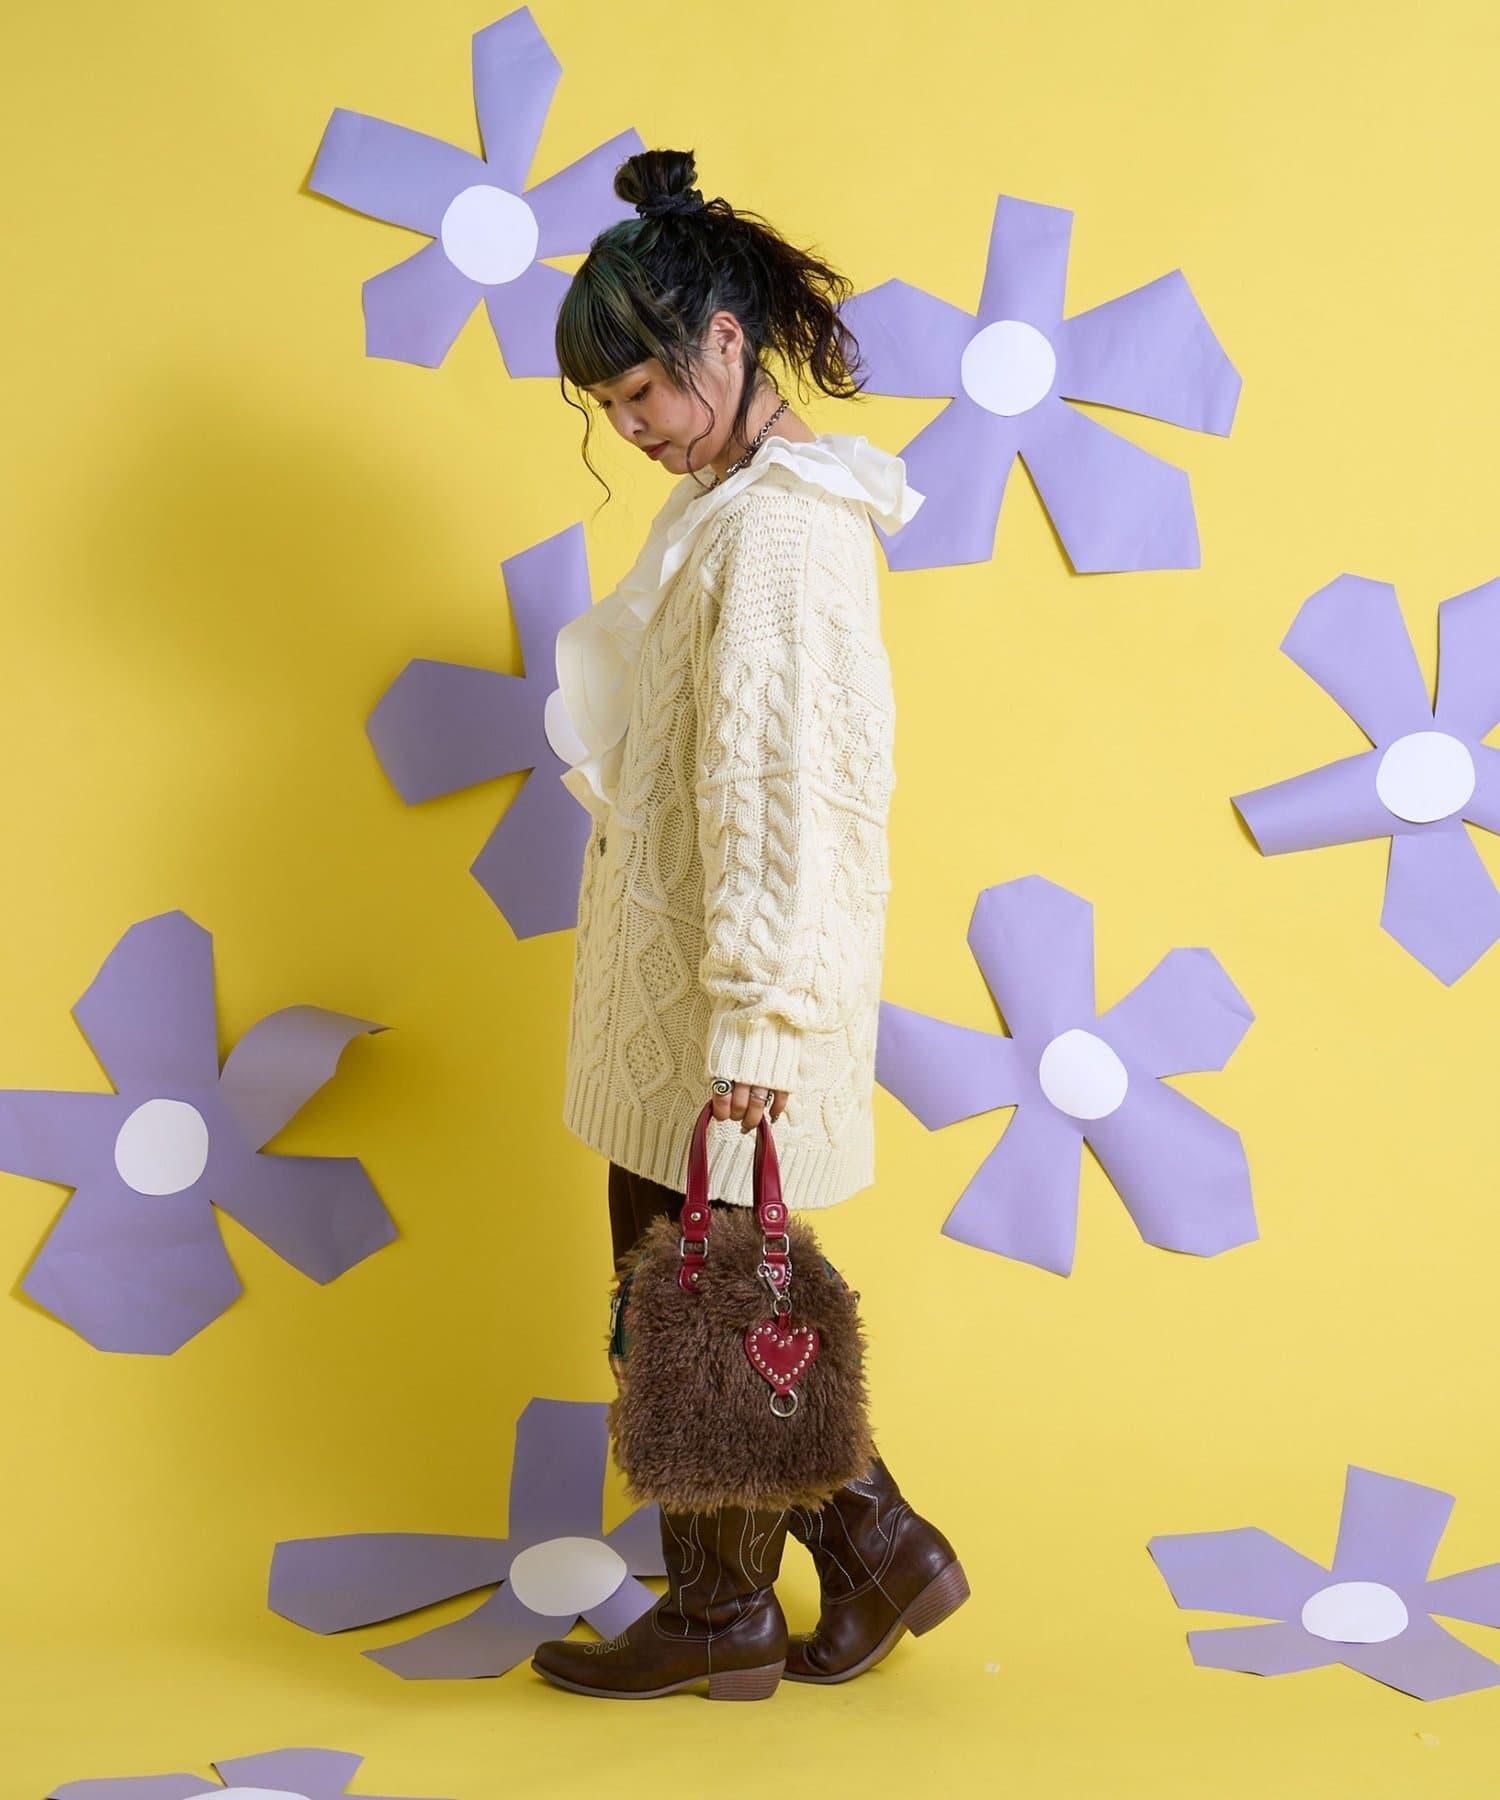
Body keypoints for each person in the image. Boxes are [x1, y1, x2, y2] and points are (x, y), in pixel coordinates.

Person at [530, 147, 968, 1700]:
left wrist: (759, 1029)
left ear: (725, 342)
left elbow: (791, 797)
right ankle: (862, 1552)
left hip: (725, 1008)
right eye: (608, 406)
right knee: (697, 1299)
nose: (631, 428)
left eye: (642, 390)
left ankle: (750, 1599)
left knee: (697, 1300)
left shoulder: (781, 534)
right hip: (687, 999)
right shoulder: (733, 510)